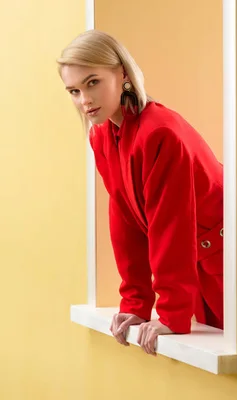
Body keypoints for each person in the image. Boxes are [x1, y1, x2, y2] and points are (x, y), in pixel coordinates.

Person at [57, 30, 224, 356]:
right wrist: (135, 303)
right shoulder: (102, 135)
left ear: (122, 74)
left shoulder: (159, 132)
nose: (84, 100)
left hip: (231, 266)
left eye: (93, 82)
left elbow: (170, 224)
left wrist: (173, 312)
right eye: (74, 91)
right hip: (201, 266)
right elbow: (125, 219)